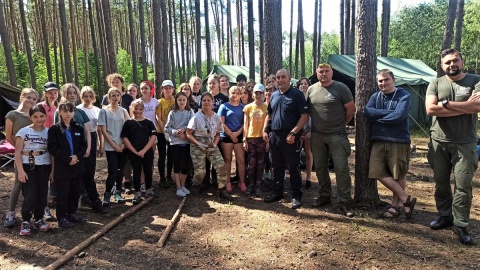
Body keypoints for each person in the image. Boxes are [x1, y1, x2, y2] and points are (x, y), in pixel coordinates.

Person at [425, 48, 480, 245]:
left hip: (465, 143)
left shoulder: (475, 80)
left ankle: (461, 224)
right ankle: (445, 216)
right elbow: (431, 109)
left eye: (455, 60)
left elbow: (478, 106)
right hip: (439, 141)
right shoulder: (436, 82)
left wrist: (447, 105)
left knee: (463, 185)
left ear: (461, 61)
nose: (452, 65)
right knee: (441, 182)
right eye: (447, 62)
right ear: (442, 66)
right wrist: (464, 106)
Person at [364, 69, 417, 219]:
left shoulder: (404, 96)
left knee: (398, 174)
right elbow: (368, 112)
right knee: (376, 171)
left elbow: (398, 117)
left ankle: (396, 206)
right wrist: (388, 114)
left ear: (393, 80)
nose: (383, 83)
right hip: (378, 140)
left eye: (386, 79)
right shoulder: (376, 96)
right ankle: (407, 199)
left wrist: (377, 116)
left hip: (398, 140)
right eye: (380, 81)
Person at [306, 63, 355, 217]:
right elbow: (307, 111)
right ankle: (324, 195)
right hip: (317, 135)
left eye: (327, 71)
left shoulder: (341, 88)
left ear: (332, 73)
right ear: (317, 73)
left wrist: (341, 124)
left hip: (337, 135)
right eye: (321, 71)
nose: (324, 74)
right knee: (320, 167)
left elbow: (351, 110)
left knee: (341, 168)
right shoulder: (311, 89)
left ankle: (345, 201)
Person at [263, 69, 309, 209]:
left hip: (290, 137)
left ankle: (296, 196)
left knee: (293, 168)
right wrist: (265, 130)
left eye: (283, 77)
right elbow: (269, 115)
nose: (280, 79)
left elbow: (305, 115)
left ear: (289, 78)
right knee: (276, 166)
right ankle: (278, 192)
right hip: (275, 137)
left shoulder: (297, 95)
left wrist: (294, 133)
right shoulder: (275, 95)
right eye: (278, 77)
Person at [186, 92, 233, 201]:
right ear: (201, 103)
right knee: (200, 171)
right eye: (204, 100)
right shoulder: (196, 117)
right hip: (198, 143)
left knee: (221, 165)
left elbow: (218, 133)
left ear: (212, 102)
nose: (206, 102)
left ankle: (222, 190)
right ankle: (196, 185)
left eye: (208, 100)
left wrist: (215, 144)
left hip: (212, 143)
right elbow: (188, 133)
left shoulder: (216, 117)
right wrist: (198, 144)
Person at [48, 102, 87, 229]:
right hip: (63, 167)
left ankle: (71, 213)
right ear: (60, 112)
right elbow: (53, 148)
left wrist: (77, 157)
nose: (68, 114)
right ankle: (61, 217)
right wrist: (67, 159)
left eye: (70, 111)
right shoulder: (55, 129)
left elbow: (83, 145)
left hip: (76, 165)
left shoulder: (78, 128)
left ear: (74, 113)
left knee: (75, 192)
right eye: (65, 111)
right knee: (63, 193)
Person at [3, 88, 39, 228]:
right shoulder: (12, 115)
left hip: (35, 154)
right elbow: (9, 136)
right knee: (18, 183)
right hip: (21, 155)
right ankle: (11, 212)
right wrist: (20, 150)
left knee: (34, 183)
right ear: (22, 97)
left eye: (34, 99)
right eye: (28, 97)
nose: (31, 100)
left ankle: (35, 210)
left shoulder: (35, 115)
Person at [15, 105, 52, 235]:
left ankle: (38, 218)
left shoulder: (49, 132)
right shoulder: (23, 131)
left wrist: (52, 171)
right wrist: (20, 171)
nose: (39, 119)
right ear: (30, 117)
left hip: (44, 164)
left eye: (41, 116)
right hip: (28, 165)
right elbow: (18, 152)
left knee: (42, 194)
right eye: (35, 116)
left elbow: (52, 153)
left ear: (45, 116)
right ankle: (25, 220)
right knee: (30, 194)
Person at [54, 83, 92, 208]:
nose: (72, 95)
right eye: (69, 92)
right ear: (64, 94)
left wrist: (88, 147)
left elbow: (87, 131)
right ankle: (64, 207)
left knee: (80, 175)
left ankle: (79, 202)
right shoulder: (58, 111)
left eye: (74, 93)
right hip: (66, 152)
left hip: (80, 149)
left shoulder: (80, 111)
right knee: (67, 179)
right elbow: (57, 132)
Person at [121, 100, 158, 205]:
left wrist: (144, 150)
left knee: (148, 170)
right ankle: (137, 192)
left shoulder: (148, 122)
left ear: (143, 110)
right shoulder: (128, 123)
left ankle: (149, 189)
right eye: (136, 109)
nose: (138, 111)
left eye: (140, 109)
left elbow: (153, 137)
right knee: (136, 172)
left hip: (147, 151)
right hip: (134, 152)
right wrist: (135, 151)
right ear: (132, 109)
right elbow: (125, 138)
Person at [98, 88, 130, 206]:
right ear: (108, 97)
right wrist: (114, 145)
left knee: (120, 170)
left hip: (123, 146)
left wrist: (123, 145)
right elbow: (103, 131)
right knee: (112, 171)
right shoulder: (104, 112)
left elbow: (128, 128)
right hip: (111, 146)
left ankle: (117, 192)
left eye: (117, 95)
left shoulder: (124, 111)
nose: (115, 97)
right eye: (113, 95)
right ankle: (107, 194)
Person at [77, 86, 107, 214]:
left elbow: (100, 129)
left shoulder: (97, 110)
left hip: (93, 138)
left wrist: (101, 146)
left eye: (90, 96)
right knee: (80, 170)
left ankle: (92, 198)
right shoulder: (77, 109)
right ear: (82, 97)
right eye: (85, 96)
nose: (88, 98)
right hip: (79, 139)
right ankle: (84, 196)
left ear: (94, 98)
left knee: (90, 169)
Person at [165, 92, 194, 197]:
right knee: (176, 165)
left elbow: (193, 125)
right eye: (179, 100)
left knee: (185, 165)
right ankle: (178, 187)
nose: (182, 102)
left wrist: (185, 131)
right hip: (175, 143)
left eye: (184, 100)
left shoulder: (190, 112)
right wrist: (176, 132)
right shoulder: (172, 113)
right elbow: (167, 128)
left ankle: (183, 185)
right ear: (176, 101)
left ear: (186, 101)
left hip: (186, 142)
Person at [218, 86, 246, 192]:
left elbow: (245, 123)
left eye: (237, 93)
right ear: (229, 94)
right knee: (228, 160)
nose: (234, 95)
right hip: (226, 136)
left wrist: (237, 134)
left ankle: (242, 182)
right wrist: (230, 134)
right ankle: (228, 182)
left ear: (240, 95)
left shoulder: (243, 107)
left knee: (241, 160)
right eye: (232, 92)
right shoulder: (224, 106)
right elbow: (221, 123)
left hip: (238, 136)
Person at [38, 82, 59, 221]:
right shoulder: (40, 107)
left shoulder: (57, 108)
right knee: (44, 175)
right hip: (43, 144)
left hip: (55, 144)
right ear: (45, 93)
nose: (53, 94)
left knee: (54, 172)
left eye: (55, 92)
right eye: (50, 92)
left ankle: (53, 198)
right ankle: (43, 207)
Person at [243, 84, 268, 197]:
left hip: (262, 138)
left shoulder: (266, 107)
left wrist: (268, 141)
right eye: (256, 93)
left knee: (260, 163)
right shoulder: (248, 107)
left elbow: (268, 125)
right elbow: (246, 123)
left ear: (263, 94)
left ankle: (258, 185)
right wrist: (244, 138)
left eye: (260, 93)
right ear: (253, 94)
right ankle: (250, 185)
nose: (258, 95)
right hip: (251, 138)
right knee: (251, 163)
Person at [156, 80, 176, 188]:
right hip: (161, 132)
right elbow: (158, 117)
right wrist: (164, 131)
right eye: (165, 88)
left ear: (173, 89)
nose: (167, 90)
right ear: (162, 89)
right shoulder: (159, 102)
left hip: (173, 133)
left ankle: (169, 176)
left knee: (171, 155)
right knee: (162, 155)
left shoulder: (176, 101)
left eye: (170, 88)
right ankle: (162, 178)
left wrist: (171, 131)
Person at [296, 78, 313, 188]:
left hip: (308, 130)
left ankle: (308, 178)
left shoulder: (312, 98)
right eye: (301, 84)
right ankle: (297, 178)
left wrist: (310, 131)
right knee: (296, 154)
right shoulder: (296, 97)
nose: (303, 85)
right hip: (297, 130)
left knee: (308, 153)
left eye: (305, 84)